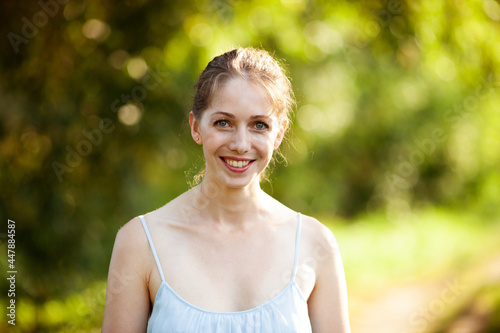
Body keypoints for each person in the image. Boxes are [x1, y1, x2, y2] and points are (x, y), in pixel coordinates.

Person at [102, 47, 350, 332]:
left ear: (279, 133)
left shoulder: (314, 244)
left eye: (259, 125)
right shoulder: (140, 243)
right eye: (223, 123)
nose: (241, 144)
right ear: (196, 127)